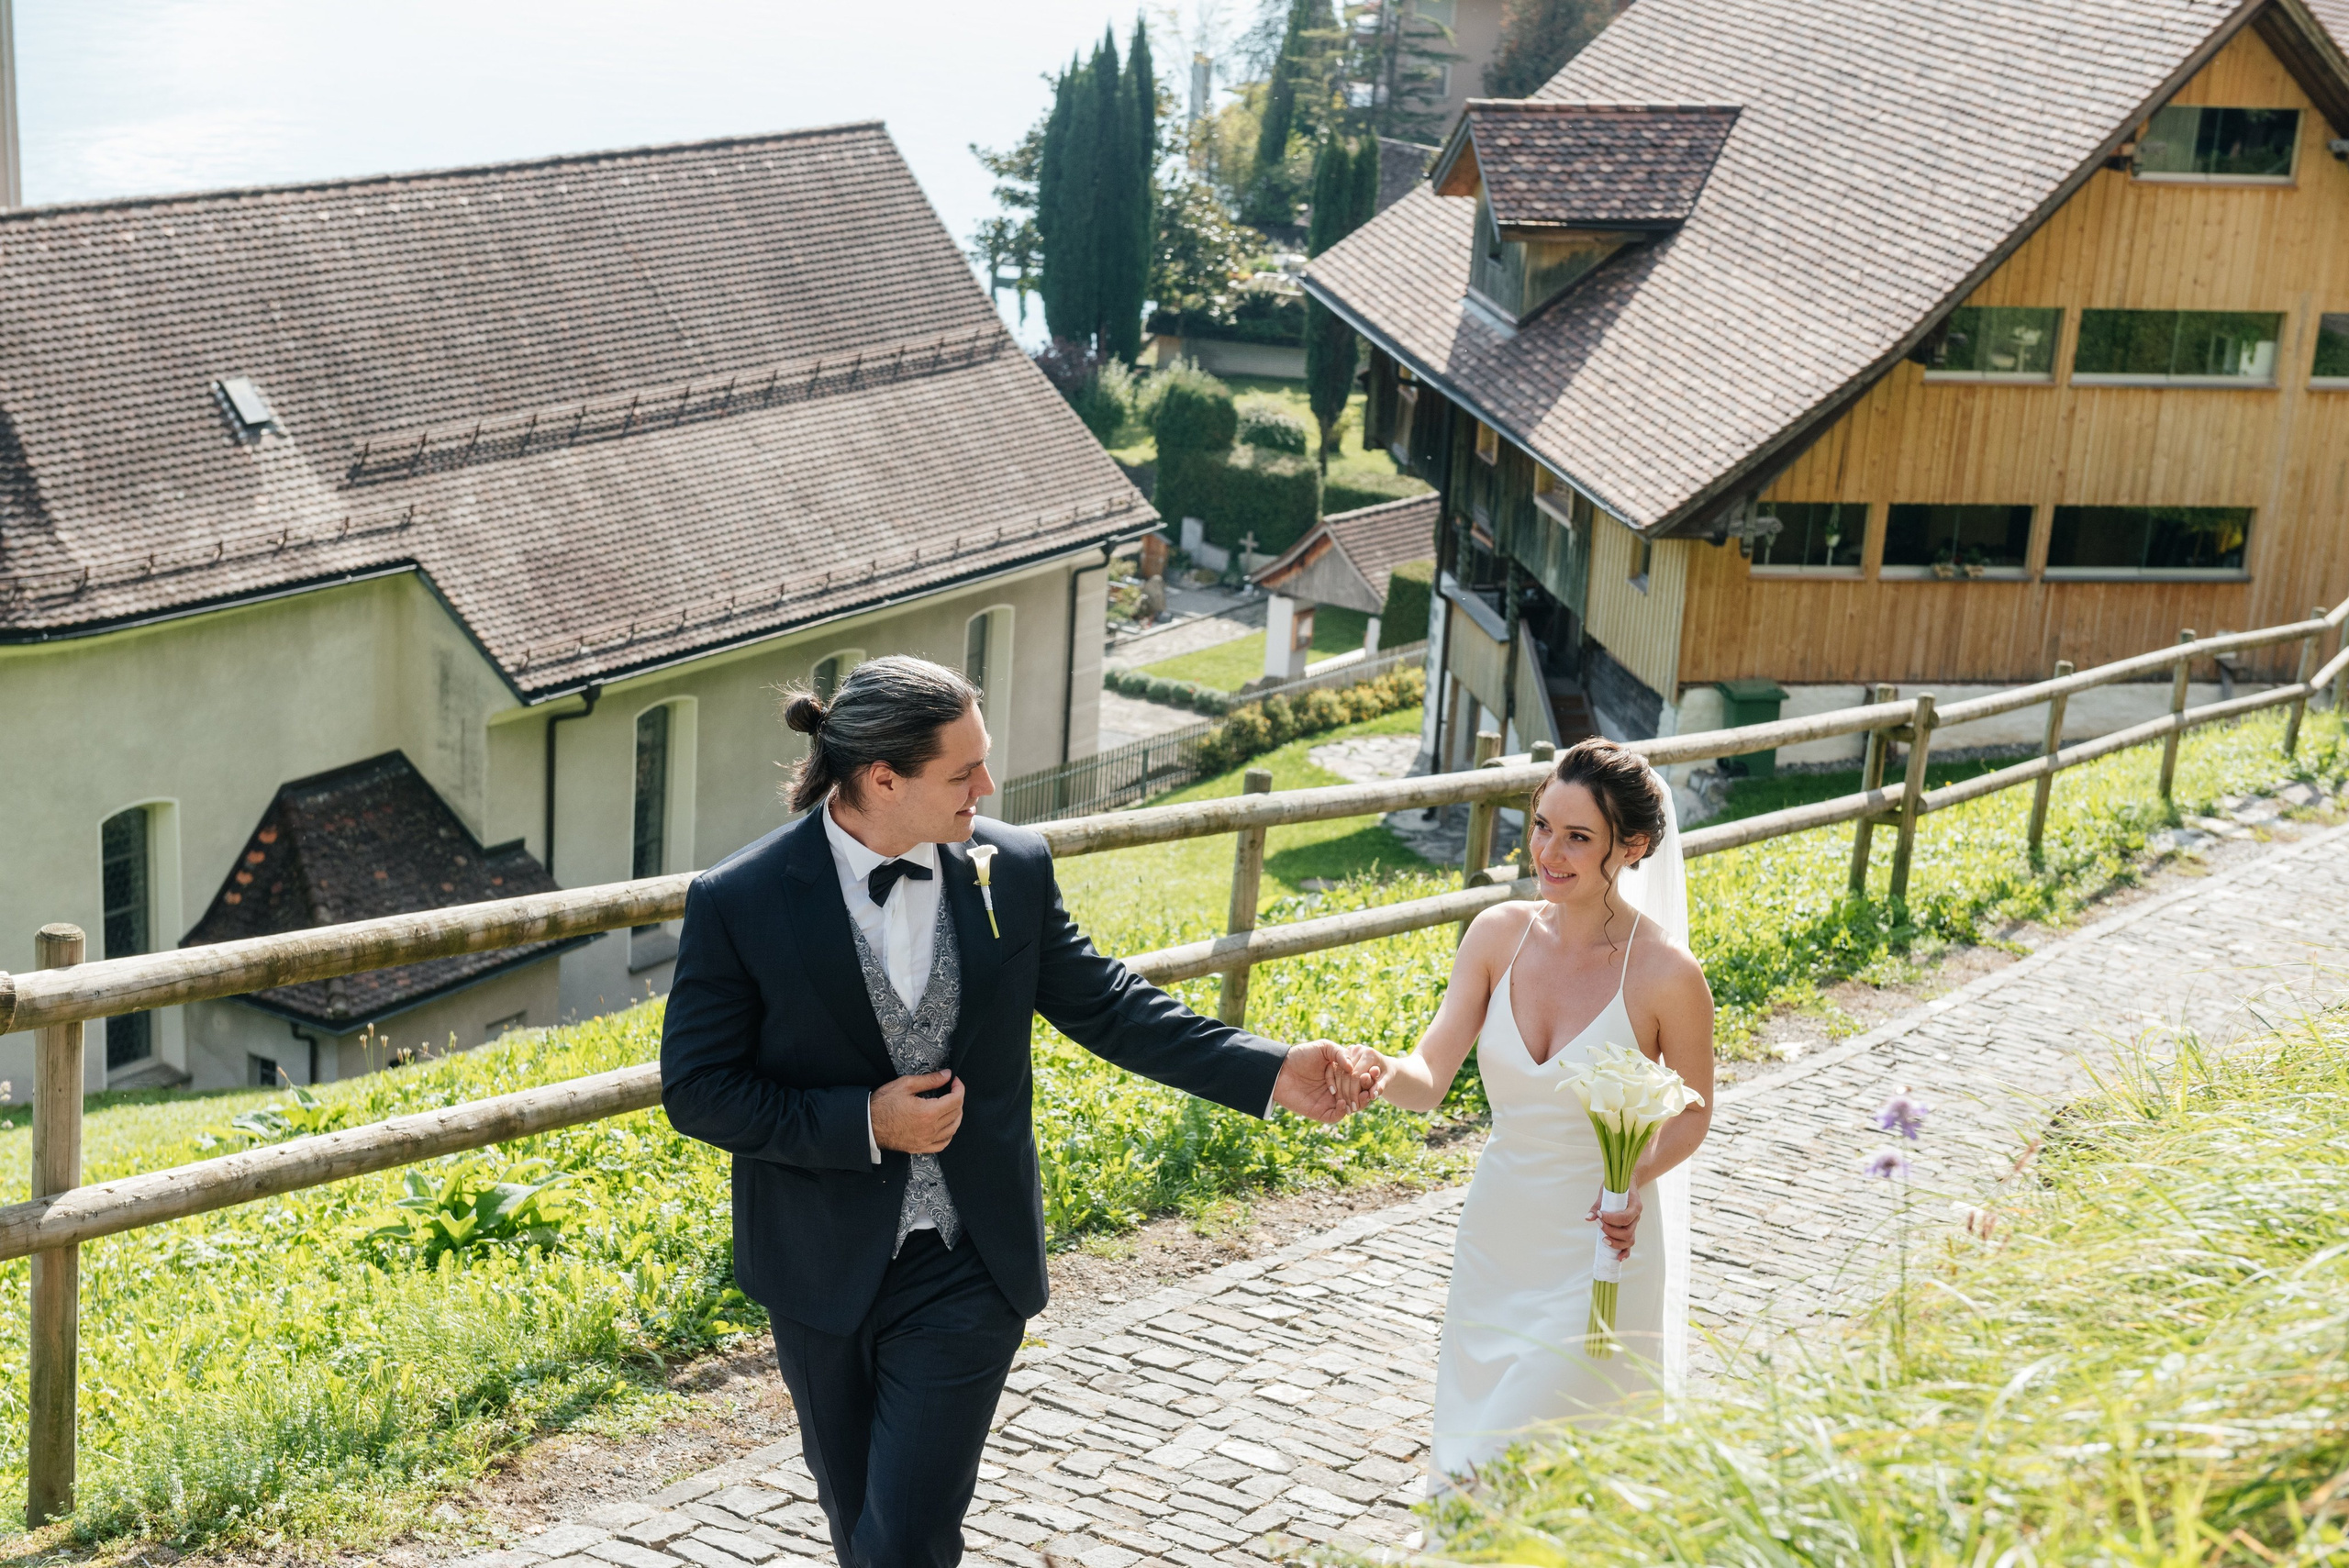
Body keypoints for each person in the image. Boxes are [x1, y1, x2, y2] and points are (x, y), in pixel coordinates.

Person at [659, 654, 1370, 1568]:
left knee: (907, 1536)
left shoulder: (1012, 866)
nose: (987, 787)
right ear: (882, 777)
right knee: (859, 1522)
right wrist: (864, 1122)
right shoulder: (742, 898)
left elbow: (1110, 1006)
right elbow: (699, 1086)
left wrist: (1271, 1068)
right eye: (962, 771)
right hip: (817, 1264)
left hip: (968, 1260)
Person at [1338, 738, 1714, 1484]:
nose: (1550, 850)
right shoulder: (1496, 936)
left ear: (1632, 846)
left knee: (1547, 1454)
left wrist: (1631, 1178)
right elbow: (1429, 1072)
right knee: (1476, 1452)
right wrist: (1374, 1071)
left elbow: (1694, 1112)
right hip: (1498, 1238)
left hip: (1600, 1247)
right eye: (1543, 825)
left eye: (1579, 837)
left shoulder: (1668, 973)